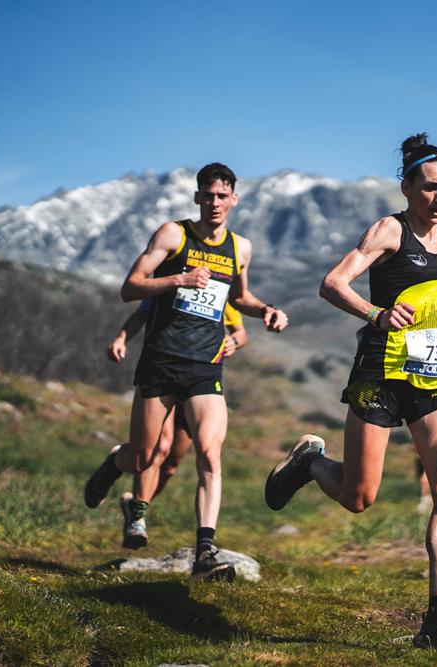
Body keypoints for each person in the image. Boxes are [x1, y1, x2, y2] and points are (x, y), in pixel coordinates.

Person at [263, 134, 437, 654]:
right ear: (407, 187)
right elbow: (333, 283)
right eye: (431, 188)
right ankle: (309, 462)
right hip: (380, 374)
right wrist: (377, 315)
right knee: (359, 497)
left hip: (434, 377)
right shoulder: (389, 230)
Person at [84, 162, 288, 581]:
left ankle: (204, 554)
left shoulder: (240, 248)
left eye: (222, 196)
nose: (214, 203)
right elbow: (130, 287)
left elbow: (242, 297)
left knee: (210, 455)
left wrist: (266, 310)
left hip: (205, 365)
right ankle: (114, 463)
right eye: (207, 195)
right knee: (144, 456)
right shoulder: (173, 235)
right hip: (161, 360)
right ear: (197, 197)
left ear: (234, 200)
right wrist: (179, 279)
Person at [105, 301, 247, 550]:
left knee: (171, 464)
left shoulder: (221, 292)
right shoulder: (175, 286)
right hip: (167, 374)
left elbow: (240, 331)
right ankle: (138, 517)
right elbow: (141, 311)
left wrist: (234, 341)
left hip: (198, 385)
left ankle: (135, 506)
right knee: (159, 448)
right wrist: (121, 338)